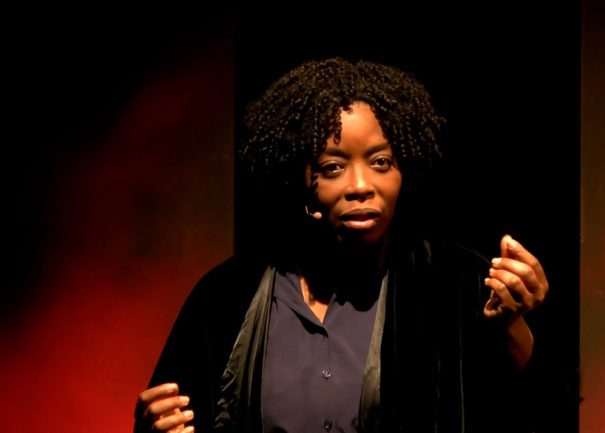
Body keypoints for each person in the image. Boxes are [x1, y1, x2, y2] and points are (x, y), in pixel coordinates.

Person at [134, 57, 550, 433]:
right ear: (299, 178)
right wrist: (157, 426)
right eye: (333, 167)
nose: (361, 185)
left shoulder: (455, 282)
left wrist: (511, 326)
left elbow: (542, 411)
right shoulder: (227, 296)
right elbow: (176, 411)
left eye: (381, 162)